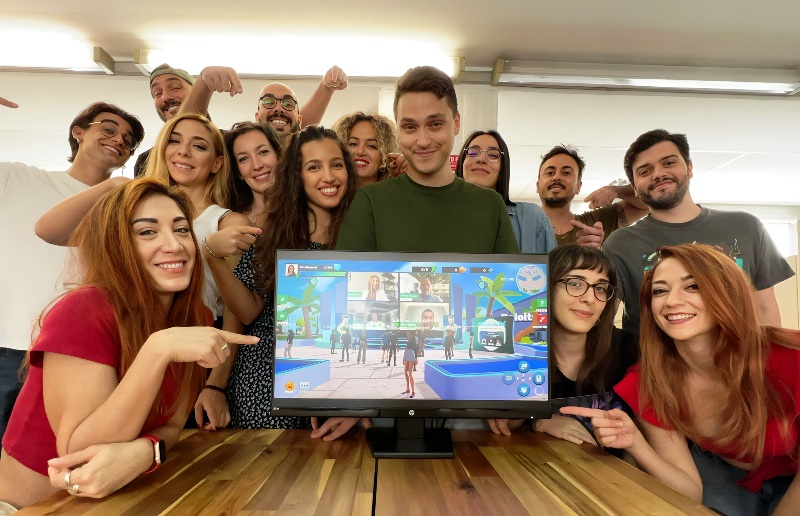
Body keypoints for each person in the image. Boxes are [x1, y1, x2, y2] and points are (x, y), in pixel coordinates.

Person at [0, 179, 257, 508]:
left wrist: (146, 451)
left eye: (181, 230)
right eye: (147, 232)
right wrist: (158, 350)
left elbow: (172, 426)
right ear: (116, 247)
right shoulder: (83, 310)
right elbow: (79, 454)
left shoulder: (195, 316)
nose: (174, 245)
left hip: (119, 503)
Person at [564, 244, 800, 515]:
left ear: (727, 292)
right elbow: (689, 492)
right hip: (723, 475)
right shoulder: (648, 381)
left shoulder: (791, 356)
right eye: (660, 291)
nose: (672, 301)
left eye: (693, 286)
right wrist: (637, 444)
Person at [186, 126, 359, 437]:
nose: (329, 177)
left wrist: (360, 404)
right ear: (296, 176)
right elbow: (246, 312)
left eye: (336, 164)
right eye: (313, 167)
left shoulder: (362, 231)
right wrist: (212, 257)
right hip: (264, 382)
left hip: (340, 381)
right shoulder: (273, 232)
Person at [1, 102, 144, 444]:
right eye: (108, 129)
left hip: (75, 354)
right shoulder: (17, 177)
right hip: (8, 347)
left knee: (57, 459)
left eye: (128, 140)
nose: (118, 140)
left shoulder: (124, 207)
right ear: (78, 132)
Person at [37, 113, 256, 325]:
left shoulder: (228, 223)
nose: (183, 151)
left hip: (198, 333)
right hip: (130, 332)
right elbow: (47, 231)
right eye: (174, 141)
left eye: (198, 146)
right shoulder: (130, 210)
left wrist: (223, 351)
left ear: (217, 163)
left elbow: (238, 313)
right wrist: (114, 184)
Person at [603, 129, 793, 333]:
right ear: (634, 187)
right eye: (645, 171)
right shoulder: (620, 244)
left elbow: (765, 311)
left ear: (690, 168)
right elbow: (601, 322)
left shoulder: (745, 227)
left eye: (669, 163)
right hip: (650, 354)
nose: (658, 174)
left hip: (738, 353)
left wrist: (772, 354)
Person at [336, 66, 519, 254]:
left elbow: (513, 273)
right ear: (398, 130)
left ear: (456, 123)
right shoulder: (369, 203)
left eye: (435, 124)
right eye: (410, 127)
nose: (423, 141)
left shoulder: (491, 206)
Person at [513, 245, 636, 443]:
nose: (589, 299)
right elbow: (504, 425)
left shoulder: (629, 349)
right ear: (546, 288)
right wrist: (538, 421)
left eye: (600, 288)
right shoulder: (519, 352)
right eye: (575, 284)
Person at [177, 65, 348, 142]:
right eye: (268, 102)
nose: (279, 108)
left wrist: (326, 88)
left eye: (288, 104)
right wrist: (203, 84)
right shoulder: (235, 146)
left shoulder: (304, 157)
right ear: (257, 117)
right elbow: (186, 132)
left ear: (300, 119)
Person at [455, 130, 556, 254]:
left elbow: (554, 266)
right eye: (472, 153)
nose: (481, 159)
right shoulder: (441, 215)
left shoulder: (532, 218)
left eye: (493, 155)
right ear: (462, 163)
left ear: (502, 169)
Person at [536, 145, 648, 248]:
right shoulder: (525, 226)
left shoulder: (594, 225)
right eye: (550, 173)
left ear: (578, 187)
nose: (556, 177)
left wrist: (616, 190)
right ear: (537, 185)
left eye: (566, 173)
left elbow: (647, 202)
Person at [134, 64, 196, 177]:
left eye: (175, 88)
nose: (165, 97)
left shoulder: (225, 144)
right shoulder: (146, 160)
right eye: (157, 93)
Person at [224, 121, 284, 226]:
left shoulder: (308, 212)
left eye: (263, 152)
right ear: (238, 172)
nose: (256, 165)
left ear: (279, 156)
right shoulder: (230, 223)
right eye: (244, 159)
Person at [332, 112, 399, 187]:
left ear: (385, 155)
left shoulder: (397, 192)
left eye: (371, 146)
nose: (360, 151)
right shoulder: (328, 192)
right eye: (353, 144)